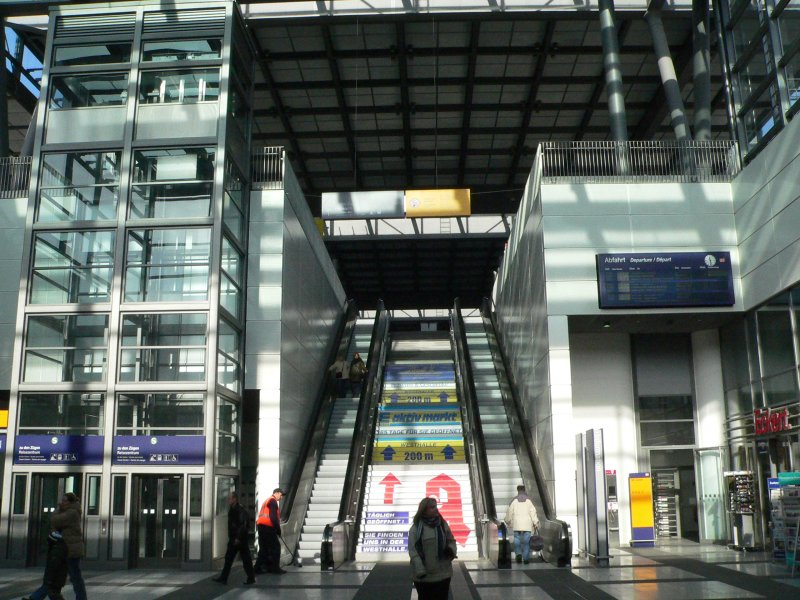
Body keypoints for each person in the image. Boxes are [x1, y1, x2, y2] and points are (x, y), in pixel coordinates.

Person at [23, 492, 86, 600]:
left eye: (64, 500)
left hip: (71, 550)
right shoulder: (69, 511)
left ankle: (81, 598)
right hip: (63, 549)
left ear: (70, 502)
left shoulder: (72, 512)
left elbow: (54, 520)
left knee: (75, 577)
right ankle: (51, 596)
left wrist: (58, 508)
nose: (61, 502)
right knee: (56, 576)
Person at [408, 497, 457, 600]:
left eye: (436, 506)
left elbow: (451, 540)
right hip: (424, 577)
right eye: (432, 507)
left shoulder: (442, 525)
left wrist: (451, 553)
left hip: (443, 574)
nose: (436, 509)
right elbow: (413, 552)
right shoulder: (415, 529)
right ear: (424, 510)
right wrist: (420, 570)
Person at [212, 492, 255, 585]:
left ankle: (250, 577)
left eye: (230, 498)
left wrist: (238, 538)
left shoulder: (239, 510)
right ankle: (224, 577)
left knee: (244, 559)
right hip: (235, 538)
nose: (228, 500)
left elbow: (242, 525)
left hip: (239, 539)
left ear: (235, 499)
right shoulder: (233, 509)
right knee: (229, 558)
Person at [22, 531, 68, 600]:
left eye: (48, 540)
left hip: (54, 578)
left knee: (48, 590)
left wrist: (49, 579)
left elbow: (53, 567)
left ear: (53, 541)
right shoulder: (59, 549)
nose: (47, 543)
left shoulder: (56, 551)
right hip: (57, 578)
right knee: (52, 593)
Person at [504, 485, 539, 564]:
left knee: (517, 539)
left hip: (517, 524)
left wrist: (507, 520)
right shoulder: (529, 501)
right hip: (527, 525)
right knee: (526, 542)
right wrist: (535, 522)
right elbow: (533, 512)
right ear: (524, 490)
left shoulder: (514, 501)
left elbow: (510, 512)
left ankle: (519, 554)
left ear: (517, 490)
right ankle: (526, 558)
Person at [254, 487, 286, 575]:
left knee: (263, 549)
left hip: (261, 526)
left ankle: (257, 568)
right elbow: (273, 517)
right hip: (268, 527)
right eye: (281, 495)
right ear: (277, 493)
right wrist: (277, 529)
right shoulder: (273, 501)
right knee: (276, 547)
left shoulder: (267, 500)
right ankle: (275, 568)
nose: (282, 497)